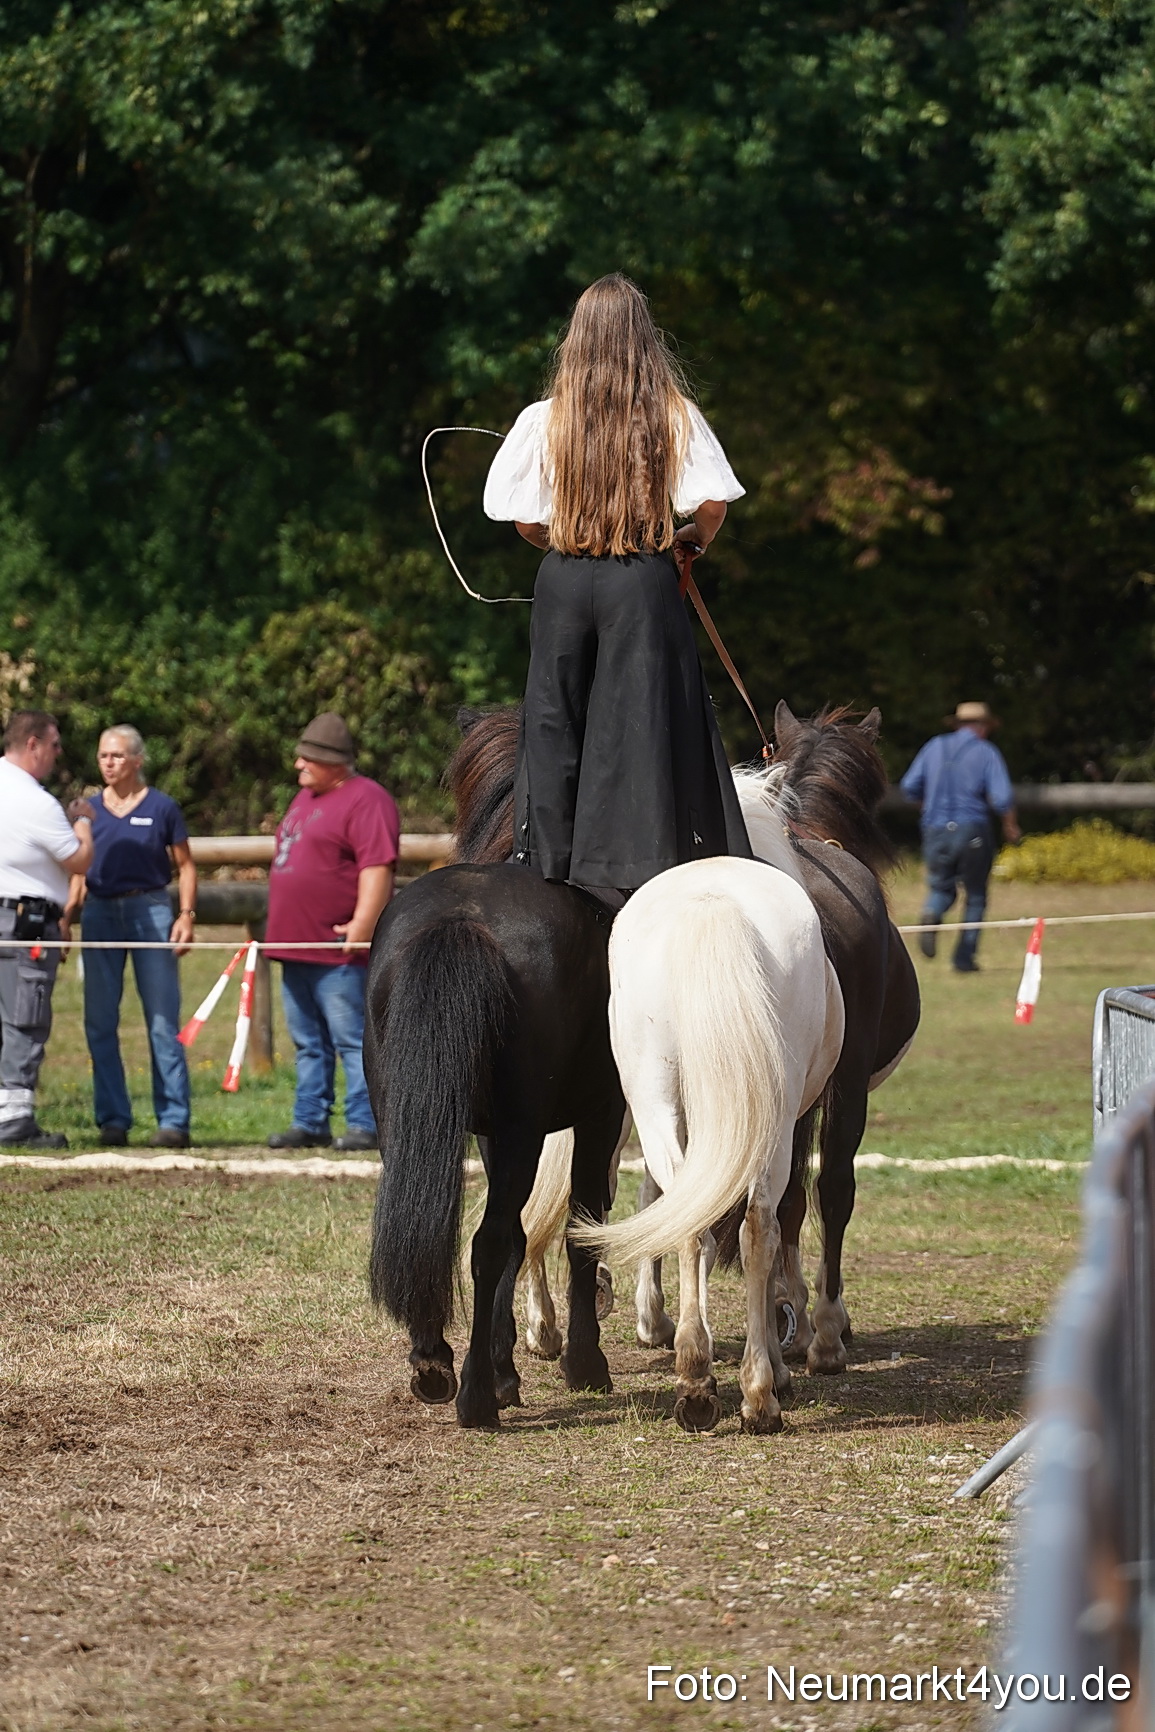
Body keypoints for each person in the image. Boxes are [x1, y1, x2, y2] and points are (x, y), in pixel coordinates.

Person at [483, 273, 752, 900]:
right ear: (645, 339)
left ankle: (544, 859)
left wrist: (565, 542)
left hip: (564, 579)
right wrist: (691, 541)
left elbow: (523, 518)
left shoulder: (543, 420)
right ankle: (643, 863)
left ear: (575, 339)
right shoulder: (672, 417)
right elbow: (713, 504)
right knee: (641, 718)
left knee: (555, 713)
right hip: (643, 578)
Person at [263, 713, 399, 1150]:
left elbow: (375, 865)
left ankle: (365, 1121)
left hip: (338, 949)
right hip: (297, 945)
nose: (298, 765)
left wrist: (362, 925)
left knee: (352, 1038)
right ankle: (310, 1120)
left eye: (309, 758)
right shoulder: (305, 798)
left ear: (335, 762)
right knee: (307, 1042)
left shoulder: (366, 799)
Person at [68, 726, 196, 1147]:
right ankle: (113, 1119)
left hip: (151, 910)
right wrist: (69, 914)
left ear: (138, 760)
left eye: (117, 756)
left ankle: (173, 1120)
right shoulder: (88, 810)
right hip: (101, 912)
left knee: (162, 1020)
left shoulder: (162, 808)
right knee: (100, 1020)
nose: (108, 762)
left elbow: (187, 866)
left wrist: (186, 915)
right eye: (103, 755)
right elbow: (79, 867)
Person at [0, 710, 94, 1148]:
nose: (58, 753)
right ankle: (15, 1118)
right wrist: (83, 821)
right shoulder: (35, 801)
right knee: (25, 1014)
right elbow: (77, 860)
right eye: (54, 744)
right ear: (33, 744)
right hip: (25, 924)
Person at [900, 701, 1021, 973]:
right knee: (976, 895)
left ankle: (932, 913)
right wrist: (1011, 827)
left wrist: (931, 807)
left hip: (935, 829)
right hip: (972, 829)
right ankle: (964, 959)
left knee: (941, 888)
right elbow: (1002, 798)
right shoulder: (986, 752)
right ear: (981, 727)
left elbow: (910, 787)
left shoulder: (934, 746)